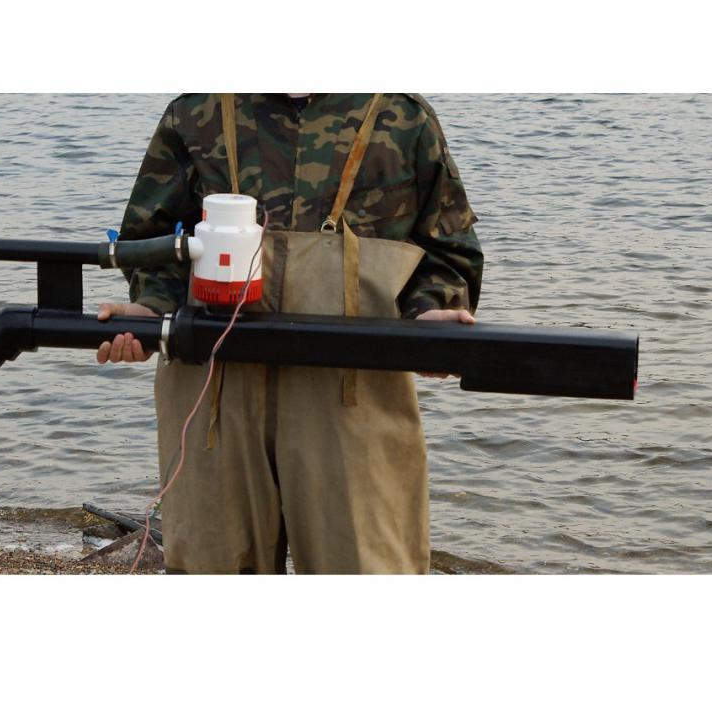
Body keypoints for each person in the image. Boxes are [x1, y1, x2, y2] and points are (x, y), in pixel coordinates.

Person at [96, 94, 483, 574]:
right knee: (212, 567)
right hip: (213, 390)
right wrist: (150, 311)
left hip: (353, 391)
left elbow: (448, 252)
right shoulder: (195, 113)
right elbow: (150, 241)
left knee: (366, 565)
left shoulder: (404, 117)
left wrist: (430, 315)